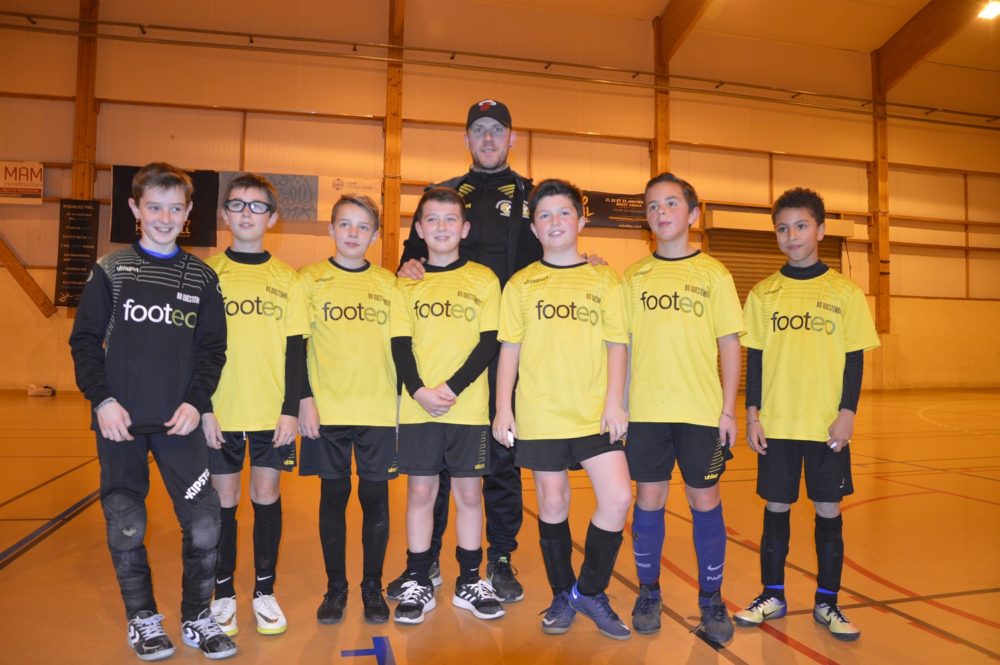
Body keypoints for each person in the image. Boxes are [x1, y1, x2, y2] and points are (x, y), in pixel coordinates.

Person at [69, 162, 236, 660]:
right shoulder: (112, 270)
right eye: (155, 207)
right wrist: (102, 400)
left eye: (175, 208)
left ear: (188, 212)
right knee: (126, 522)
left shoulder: (201, 277)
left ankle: (197, 617)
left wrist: (195, 403)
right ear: (135, 208)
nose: (165, 217)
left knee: (204, 523)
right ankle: (141, 618)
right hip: (119, 422)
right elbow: (84, 341)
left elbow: (212, 351)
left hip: (179, 421)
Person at [390, 99, 536, 603]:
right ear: (467, 139)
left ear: (512, 138)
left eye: (497, 129)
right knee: (432, 464)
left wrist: (588, 259)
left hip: (504, 345)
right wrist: (407, 267)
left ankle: (499, 558)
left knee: (500, 456)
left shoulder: (530, 195)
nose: (488, 138)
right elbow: (411, 259)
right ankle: (426, 561)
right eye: (479, 130)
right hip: (445, 349)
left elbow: (555, 246)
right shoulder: (448, 194)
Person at [734, 187, 880, 642]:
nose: (791, 235)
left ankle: (827, 602)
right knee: (775, 508)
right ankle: (772, 595)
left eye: (800, 226)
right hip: (777, 424)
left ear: (820, 229)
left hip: (825, 426)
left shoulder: (845, 292)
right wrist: (752, 415)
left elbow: (854, 360)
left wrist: (847, 413)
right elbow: (755, 360)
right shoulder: (763, 294)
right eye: (782, 228)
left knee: (828, 511)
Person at [493, 179, 633, 640]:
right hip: (541, 412)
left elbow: (617, 344)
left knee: (618, 497)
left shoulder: (604, 279)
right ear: (534, 228)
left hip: (594, 412)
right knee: (552, 502)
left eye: (563, 213)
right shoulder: (521, 284)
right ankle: (560, 593)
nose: (554, 222)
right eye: (545, 215)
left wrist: (615, 401)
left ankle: (587, 591)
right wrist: (503, 408)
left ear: (581, 221)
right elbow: (510, 349)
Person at [623, 173, 744, 642]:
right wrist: (621, 405)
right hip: (646, 412)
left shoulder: (714, 274)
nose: (661, 212)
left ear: (693, 214)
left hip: (700, 413)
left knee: (704, 500)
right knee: (649, 500)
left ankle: (711, 598)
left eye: (671, 203)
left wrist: (728, 410)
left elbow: (730, 343)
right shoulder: (633, 276)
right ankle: (648, 592)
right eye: (653, 206)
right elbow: (622, 346)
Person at [389, 187, 504, 624]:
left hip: (467, 408)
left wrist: (452, 388)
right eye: (432, 219)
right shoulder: (405, 283)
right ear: (419, 229)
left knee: (469, 494)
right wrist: (419, 391)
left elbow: (489, 342)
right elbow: (400, 345)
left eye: (450, 219)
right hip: (418, 408)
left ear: (465, 228)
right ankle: (419, 579)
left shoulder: (484, 280)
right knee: (421, 492)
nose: (441, 227)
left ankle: (470, 580)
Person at [202, 173, 309, 638]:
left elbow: (296, 351)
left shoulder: (288, 279)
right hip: (220, 412)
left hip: (271, 414)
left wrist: (290, 409)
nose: (247, 213)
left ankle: (264, 591)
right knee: (223, 502)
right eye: (238, 205)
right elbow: (194, 350)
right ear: (225, 215)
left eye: (257, 206)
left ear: (273, 217)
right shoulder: (206, 275)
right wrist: (203, 408)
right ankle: (223, 592)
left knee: (266, 496)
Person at [297, 194, 398, 625]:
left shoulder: (390, 284)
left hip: (378, 411)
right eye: (345, 224)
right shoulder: (309, 279)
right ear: (331, 229)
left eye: (363, 227)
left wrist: (401, 405)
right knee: (333, 497)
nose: (353, 233)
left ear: (375, 235)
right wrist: (304, 400)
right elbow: (295, 347)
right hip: (327, 412)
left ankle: (371, 585)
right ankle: (336, 586)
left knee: (375, 499)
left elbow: (402, 347)